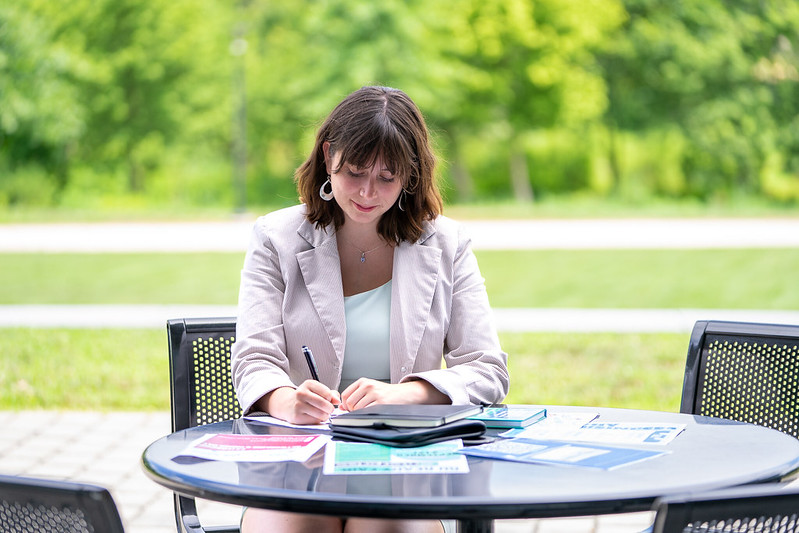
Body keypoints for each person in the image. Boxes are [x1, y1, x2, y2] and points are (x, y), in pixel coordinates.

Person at [231, 85, 509, 533]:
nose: (366, 192)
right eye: (355, 172)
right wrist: (286, 400)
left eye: (387, 177)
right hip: (299, 466)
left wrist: (405, 394)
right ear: (328, 156)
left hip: (402, 467)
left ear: (411, 175)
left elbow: (487, 368)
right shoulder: (275, 237)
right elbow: (253, 360)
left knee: (382, 527)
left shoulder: (447, 244)